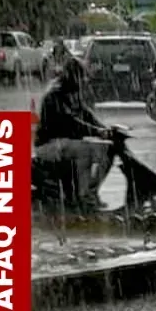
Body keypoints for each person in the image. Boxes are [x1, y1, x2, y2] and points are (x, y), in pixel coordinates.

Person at [34, 57, 114, 211]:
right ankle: (84, 196)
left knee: (108, 150)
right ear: (71, 76)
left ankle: (91, 191)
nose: (83, 81)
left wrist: (105, 129)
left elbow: (86, 114)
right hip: (48, 144)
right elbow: (70, 122)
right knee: (85, 150)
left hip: (66, 142)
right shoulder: (55, 94)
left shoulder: (73, 92)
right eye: (80, 76)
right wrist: (97, 131)